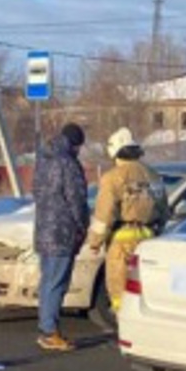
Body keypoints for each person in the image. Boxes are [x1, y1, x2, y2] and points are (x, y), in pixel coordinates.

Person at [85, 127, 166, 326]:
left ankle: (125, 328)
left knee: (120, 289)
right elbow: (164, 210)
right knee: (144, 287)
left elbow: (104, 215)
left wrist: (95, 242)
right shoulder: (153, 175)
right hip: (149, 238)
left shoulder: (113, 178)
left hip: (122, 242)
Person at [33, 122, 90, 352]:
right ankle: (50, 331)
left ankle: (45, 326)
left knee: (47, 280)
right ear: (75, 144)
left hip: (43, 229)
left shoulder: (44, 159)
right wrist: (82, 224)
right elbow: (76, 199)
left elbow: (36, 191)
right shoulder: (68, 163)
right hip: (62, 232)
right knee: (57, 282)